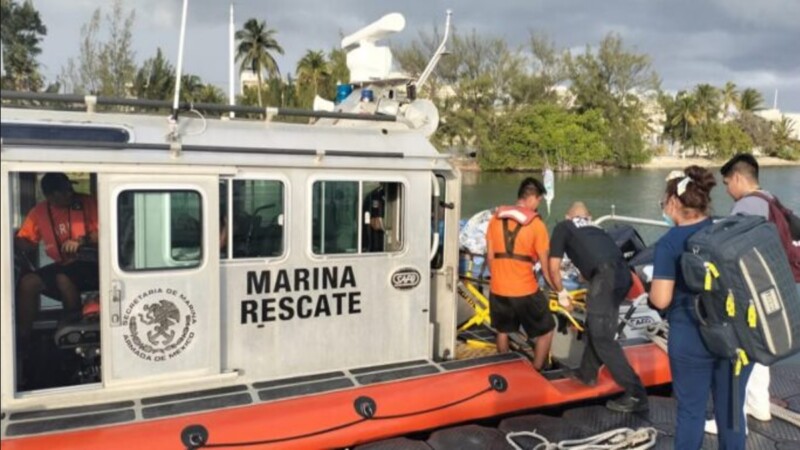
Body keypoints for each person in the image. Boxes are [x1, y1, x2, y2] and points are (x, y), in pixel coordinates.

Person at [650, 166, 752, 450]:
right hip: (734, 337)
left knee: (691, 413)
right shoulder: (725, 229)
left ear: (673, 203)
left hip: (692, 338)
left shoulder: (669, 244)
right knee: (731, 414)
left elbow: (660, 300)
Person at [702, 153, 782, 434]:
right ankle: (758, 404)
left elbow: (734, 251)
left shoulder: (747, 205)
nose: (727, 190)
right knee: (760, 346)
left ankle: (735, 421)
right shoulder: (769, 199)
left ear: (737, 177)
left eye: (726, 183)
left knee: (740, 352)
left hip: (751, 291)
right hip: (771, 287)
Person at [548, 202, 648, 413]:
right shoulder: (596, 229)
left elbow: (553, 266)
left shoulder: (563, 227)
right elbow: (589, 267)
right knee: (597, 326)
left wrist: (561, 292)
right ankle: (587, 373)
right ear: (588, 216)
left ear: (568, 216)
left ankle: (636, 393)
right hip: (624, 276)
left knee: (602, 336)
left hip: (605, 276)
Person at [15, 173, 99, 347]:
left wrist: (81, 241)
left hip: (94, 264)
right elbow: (26, 241)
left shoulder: (89, 203)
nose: (70, 193)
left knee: (63, 278)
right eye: (64, 191)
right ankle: (22, 340)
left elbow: (108, 230)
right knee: (27, 283)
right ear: (50, 196)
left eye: (70, 188)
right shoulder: (38, 212)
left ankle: (73, 333)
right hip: (64, 265)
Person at [485, 177, 555, 370]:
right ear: (532, 198)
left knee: (503, 330)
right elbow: (545, 264)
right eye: (539, 200)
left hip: (498, 287)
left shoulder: (494, 220)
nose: (538, 204)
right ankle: (537, 370)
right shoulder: (536, 225)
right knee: (547, 329)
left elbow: (490, 257)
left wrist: (499, 277)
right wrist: (558, 288)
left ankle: (505, 368)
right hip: (524, 289)